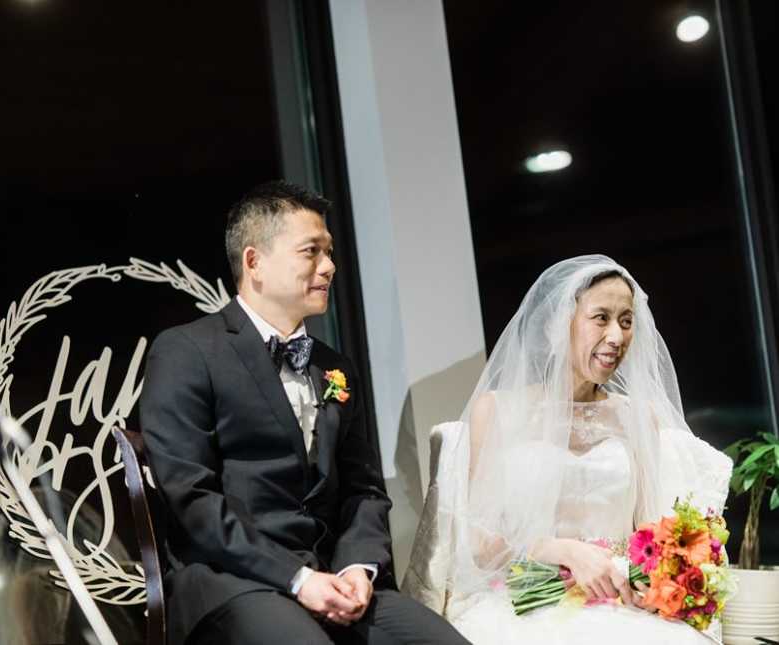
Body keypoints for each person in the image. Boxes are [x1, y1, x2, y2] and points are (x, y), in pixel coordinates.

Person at [140, 181, 469, 645]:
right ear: (254, 261)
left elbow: (364, 489)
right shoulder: (187, 351)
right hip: (233, 583)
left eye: (330, 252)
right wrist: (298, 579)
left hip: (332, 577)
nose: (329, 267)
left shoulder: (334, 366)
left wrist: (358, 567)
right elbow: (190, 498)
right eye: (311, 252)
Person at [403, 255, 733, 644]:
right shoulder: (497, 411)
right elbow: (477, 541)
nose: (616, 336)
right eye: (601, 318)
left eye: (626, 321)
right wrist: (559, 550)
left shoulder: (637, 416)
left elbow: (648, 528)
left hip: (617, 599)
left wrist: (655, 576)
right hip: (524, 600)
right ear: (560, 324)